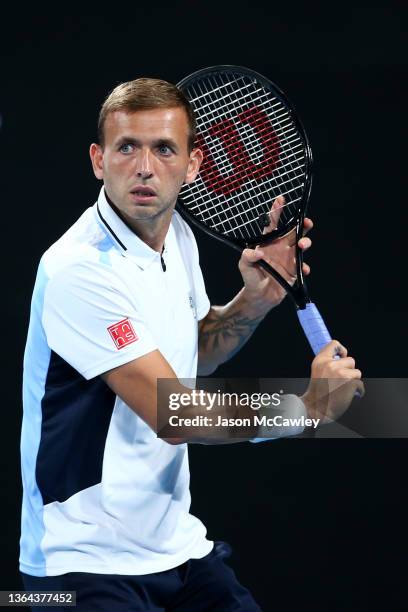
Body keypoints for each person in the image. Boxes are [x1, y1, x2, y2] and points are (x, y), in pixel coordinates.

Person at [20, 78, 363, 611]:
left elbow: (190, 354)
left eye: (163, 149)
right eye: (126, 146)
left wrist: (255, 301)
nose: (144, 167)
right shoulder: (77, 270)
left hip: (174, 547)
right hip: (82, 562)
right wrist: (308, 408)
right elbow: (175, 412)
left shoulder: (177, 236)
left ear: (194, 163)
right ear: (97, 159)